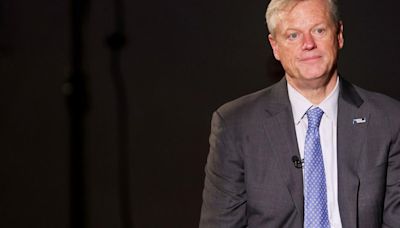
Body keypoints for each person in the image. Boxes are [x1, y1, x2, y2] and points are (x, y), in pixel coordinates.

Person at [199, 0, 400, 227]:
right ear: (275, 46)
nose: (308, 44)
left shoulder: (389, 120)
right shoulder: (235, 125)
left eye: (319, 30)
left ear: (339, 35)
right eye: (293, 35)